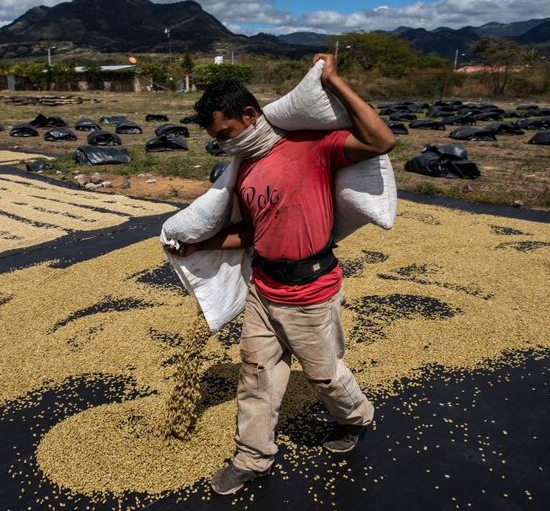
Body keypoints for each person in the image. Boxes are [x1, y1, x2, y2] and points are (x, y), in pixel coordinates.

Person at [165, 54, 396, 495]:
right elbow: (252, 231)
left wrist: (335, 80)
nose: (224, 145)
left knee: (324, 375)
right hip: (264, 288)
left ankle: (357, 417)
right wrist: (201, 244)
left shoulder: (313, 147)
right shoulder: (246, 166)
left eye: (226, 134)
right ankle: (253, 457)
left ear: (250, 116)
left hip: (311, 289)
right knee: (255, 374)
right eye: (218, 140)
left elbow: (382, 140)